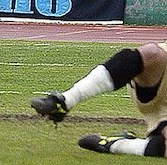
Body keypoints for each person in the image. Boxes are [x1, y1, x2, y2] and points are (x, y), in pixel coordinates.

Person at [31, 41, 167, 158]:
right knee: (152, 54)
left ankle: (117, 144)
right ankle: (65, 101)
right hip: (158, 80)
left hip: (161, 114)